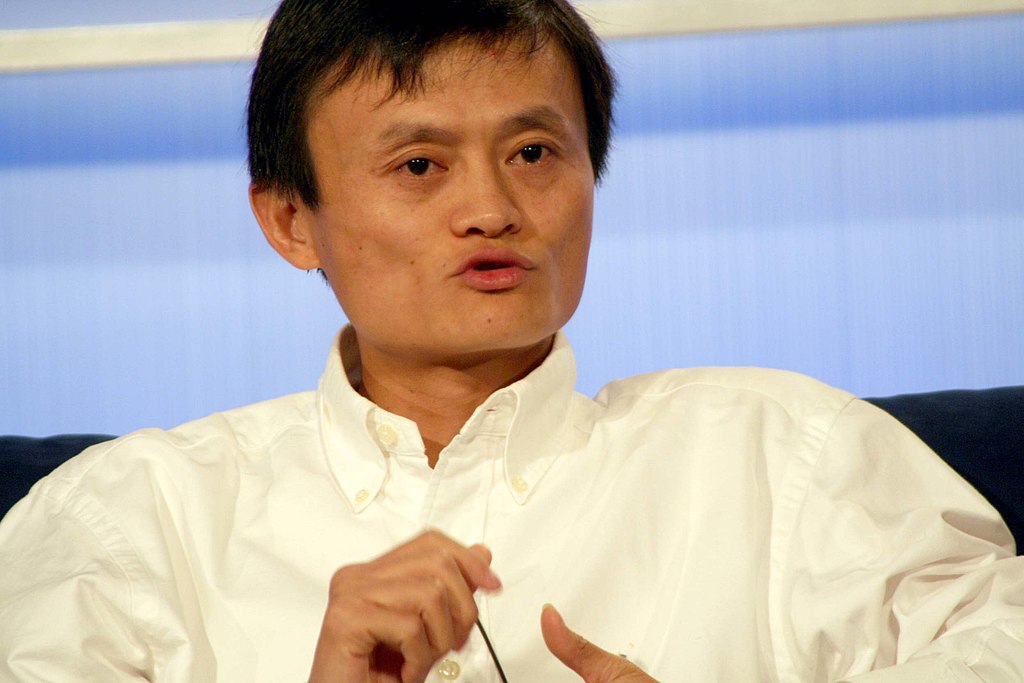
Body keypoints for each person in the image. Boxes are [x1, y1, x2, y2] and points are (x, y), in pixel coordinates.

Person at [1, 1, 1022, 681]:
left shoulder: (784, 454)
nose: (491, 208)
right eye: (419, 165)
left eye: (533, 152)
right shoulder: (131, 519)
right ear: (290, 220)